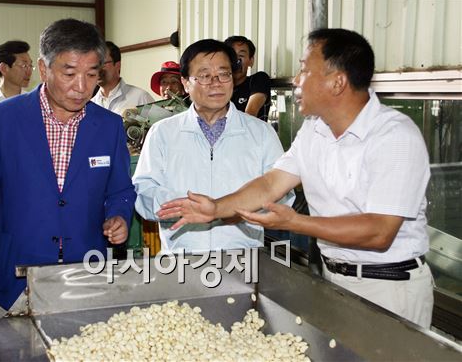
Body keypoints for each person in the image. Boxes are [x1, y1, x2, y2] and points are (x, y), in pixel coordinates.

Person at [159, 29, 434, 328]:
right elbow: (270, 184)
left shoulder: (394, 136)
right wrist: (216, 207)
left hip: (389, 286)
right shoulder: (315, 130)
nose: (295, 80)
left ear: (337, 81)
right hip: (334, 278)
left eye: (304, 70)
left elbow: (379, 232)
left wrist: (294, 223)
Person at [0, 19, 136, 318]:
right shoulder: (1, 121)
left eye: (92, 74)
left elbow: (120, 189)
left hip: (86, 274)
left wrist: (118, 215)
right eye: (69, 73)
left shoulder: (108, 126)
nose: (82, 87)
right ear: (44, 70)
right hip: (16, 279)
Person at [133, 39, 292, 252]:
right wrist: (184, 207)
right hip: (181, 257)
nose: (216, 82)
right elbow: (143, 192)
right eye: (205, 75)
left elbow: (283, 197)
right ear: (186, 83)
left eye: (223, 74)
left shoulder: (261, 133)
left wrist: (232, 211)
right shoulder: (163, 133)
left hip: (243, 258)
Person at [91, 41, 153, 115]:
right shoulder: (90, 104)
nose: (98, 69)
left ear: (117, 65)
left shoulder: (140, 97)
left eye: (102, 63)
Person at [224, 36, 271, 121]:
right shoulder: (217, 86)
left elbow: (250, 115)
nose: (236, 61)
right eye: (232, 56)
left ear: (251, 61)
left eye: (241, 55)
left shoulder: (258, 79)